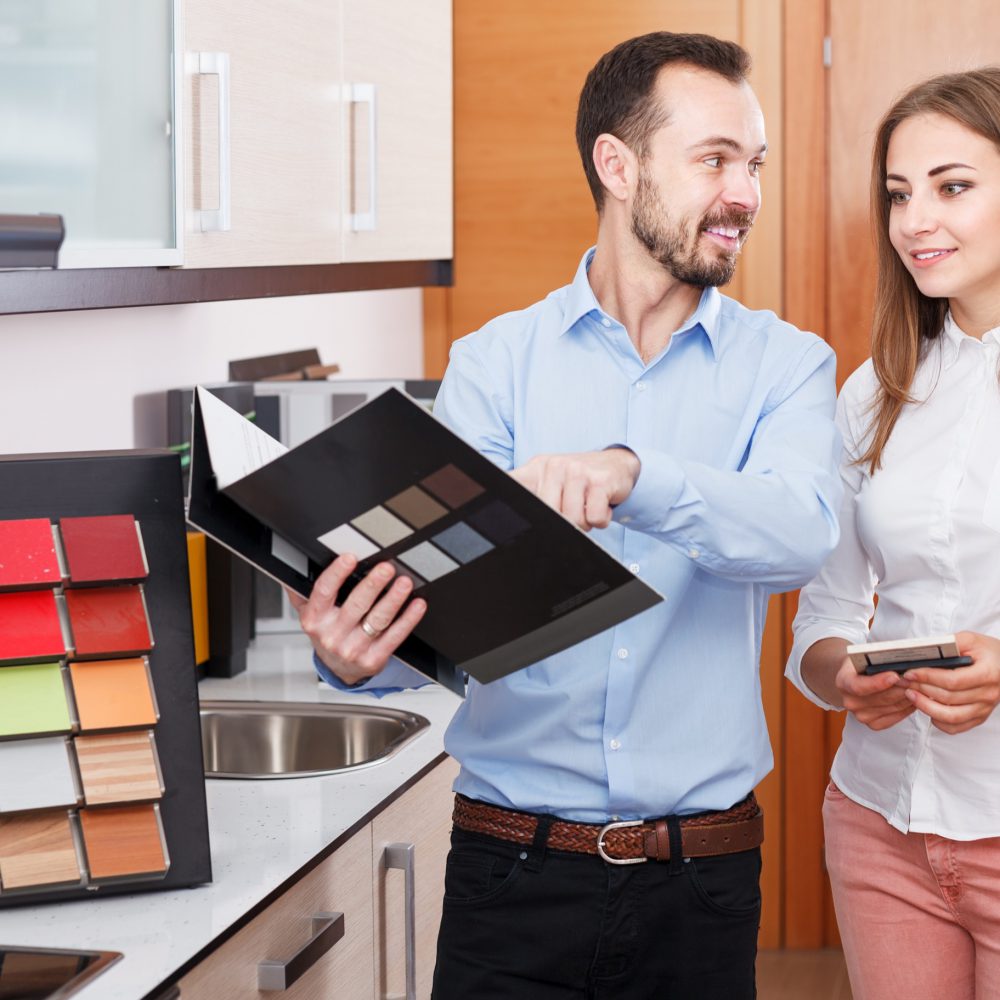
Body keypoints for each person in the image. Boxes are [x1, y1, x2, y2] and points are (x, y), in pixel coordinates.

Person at [292, 32, 841, 999]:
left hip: (701, 883)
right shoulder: (493, 367)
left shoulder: (786, 367)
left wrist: (639, 474)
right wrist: (357, 660)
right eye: (715, 160)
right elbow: (457, 609)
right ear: (617, 165)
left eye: (752, 164)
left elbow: (801, 533)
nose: (746, 194)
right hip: (510, 876)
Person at [786, 67, 1000, 1000]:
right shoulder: (874, 392)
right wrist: (842, 674)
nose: (916, 221)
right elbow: (823, 610)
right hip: (880, 824)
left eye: (953, 187)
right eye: (898, 195)